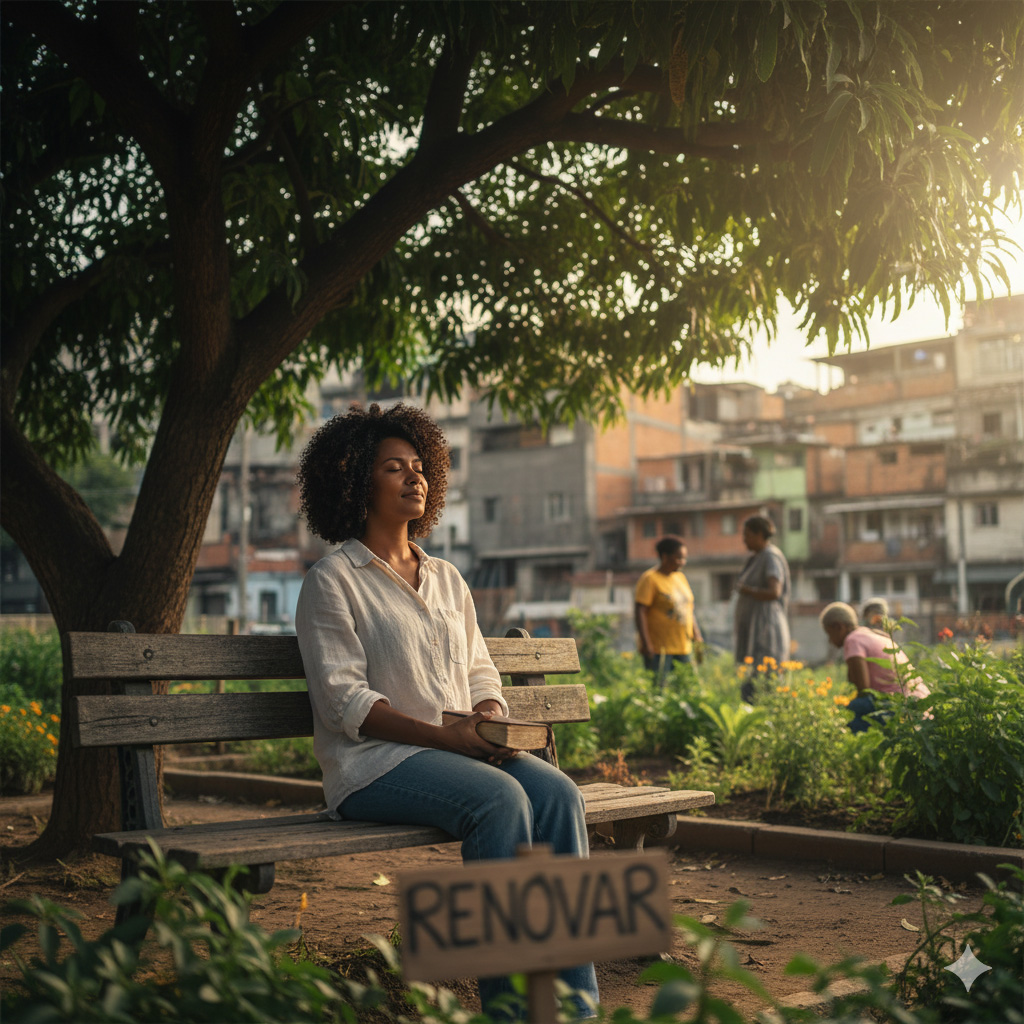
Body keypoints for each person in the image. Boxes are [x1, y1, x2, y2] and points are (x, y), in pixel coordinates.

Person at [294, 402, 599, 1020]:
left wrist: (487, 713)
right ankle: (511, 1010)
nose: (414, 478)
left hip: (457, 748)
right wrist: (446, 736)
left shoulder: (447, 579)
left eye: (419, 467)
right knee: (500, 801)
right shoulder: (333, 581)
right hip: (373, 765)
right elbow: (344, 702)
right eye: (393, 468)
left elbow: (481, 667)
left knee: (560, 795)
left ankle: (573, 1007)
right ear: (356, 481)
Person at [818, 601, 930, 733]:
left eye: (829, 634)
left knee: (844, 712)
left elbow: (863, 690)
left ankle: (860, 751)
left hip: (899, 706)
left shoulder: (853, 640)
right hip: (920, 703)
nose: (830, 640)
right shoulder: (873, 634)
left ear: (839, 627)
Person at [733, 514, 791, 703]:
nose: (744, 539)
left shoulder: (770, 556)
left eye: (747, 535)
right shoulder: (755, 558)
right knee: (750, 676)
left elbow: (774, 592)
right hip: (753, 628)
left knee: (764, 677)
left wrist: (747, 590)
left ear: (760, 534)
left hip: (765, 628)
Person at [634, 536, 703, 683]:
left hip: (683, 646)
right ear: (665, 556)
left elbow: (688, 609)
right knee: (658, 689)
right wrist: (646, 644)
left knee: (689, 688)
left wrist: (696, 636)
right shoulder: (650, 579)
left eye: (684, 558)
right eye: (678, 558)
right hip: (659, 649)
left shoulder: (680, 578)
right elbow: (640, 612)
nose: (682, 562)